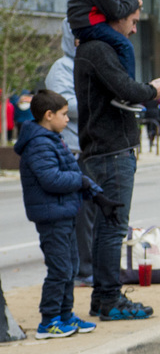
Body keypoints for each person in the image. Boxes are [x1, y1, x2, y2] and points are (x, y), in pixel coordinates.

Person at [75, 4, 160, 321]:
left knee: (107, 228)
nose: (133, 30)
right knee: (112, 228)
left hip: (105, 150)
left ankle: (103, 297)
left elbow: (120, 89)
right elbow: (125, 89)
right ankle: (108, 299)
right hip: (110, 151)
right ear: (116, 17)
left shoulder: (94, 50)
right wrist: (151, 89)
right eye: (132, 22)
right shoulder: (100, 50)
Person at [18, 90, 116, 339]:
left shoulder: (52, 138)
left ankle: (65, 315)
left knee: (70, 268)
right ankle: (48, 321)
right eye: (63, 115)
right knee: (60, 269)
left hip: (64, 213)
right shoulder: (39, 143)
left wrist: (95, 192)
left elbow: (74, 175)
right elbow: (51, 179)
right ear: (48, 115)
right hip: (52, 217)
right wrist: (81, 181)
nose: (67, 120)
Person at [44, 22, 94, 287]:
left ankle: (90, 267)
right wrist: (98, 100)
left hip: (90, 150)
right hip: (72, 152)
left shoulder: (90, 62)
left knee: (93, 214)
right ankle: (84, 271)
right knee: (81, 216)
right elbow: (64, 105)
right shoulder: (61, 68)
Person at [66, 0, 142, 87]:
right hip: (89, 24)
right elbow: (116, 12)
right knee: (125, 46)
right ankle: (129, 86)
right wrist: (134, 1)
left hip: (83, 25)